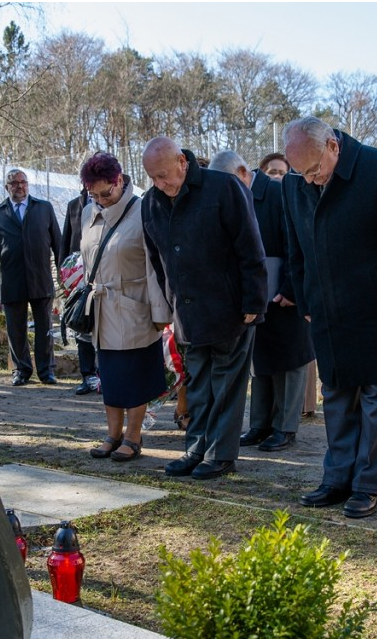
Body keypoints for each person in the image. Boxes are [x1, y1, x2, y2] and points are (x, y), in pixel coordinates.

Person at [282, 116, 377, 518]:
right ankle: (336, 479)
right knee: (336, 398)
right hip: (327, 313)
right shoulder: (295, 184)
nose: (311, 180)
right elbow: (296, 249)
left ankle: (368, 484)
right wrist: (307, 301)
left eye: (315, 169)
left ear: (333, 146)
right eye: (302, 173)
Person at [141, 136, 267, 480]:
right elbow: (158, 260)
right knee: (197, 385)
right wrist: (170, 304)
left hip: (230, 309)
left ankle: (220, 455)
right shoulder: (150, 203)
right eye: (153, 178)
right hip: (188, 313)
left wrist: (254, 301)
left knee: (226, 385)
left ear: (183, 162)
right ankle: (196, 449)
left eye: (164, 176)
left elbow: (250, 245)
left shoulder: (222, 187)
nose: (160, 184)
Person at [209, 149, 315, 452]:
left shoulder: (280, 194)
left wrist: (292, 289)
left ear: (243, 173)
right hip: (256, 294)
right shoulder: (234, 196)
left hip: (285, 292)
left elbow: (299, 245)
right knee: (262, 361)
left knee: (291, 361)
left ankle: (285, 427)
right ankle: (260, 424)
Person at [78, 153, 172, 462]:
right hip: (102, 310)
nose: (101, 200)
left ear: (120, 180)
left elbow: (155, 266)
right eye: (94, 195)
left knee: (135, 375)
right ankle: (112, 433)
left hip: (135, 308)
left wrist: (161, 314)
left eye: (107, 193)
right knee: (109, 374)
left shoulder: (143, 209)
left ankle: (133, 435)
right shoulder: (88, 212)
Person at [0, 169, 62, 386]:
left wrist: (65, 273)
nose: (20, 186)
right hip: (12, 278)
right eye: (14, 183)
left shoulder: (43, 208)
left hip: (40, 277)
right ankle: (21, 370)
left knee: (45, 328)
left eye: (23, 182)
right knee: (16, 330)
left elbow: (58, 242)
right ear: (6, 187)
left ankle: (46, 371)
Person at [60, 187, 101, 395]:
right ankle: (88, 375)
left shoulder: (119, 203)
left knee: (103, 328)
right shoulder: (73, 205)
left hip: (104, 275)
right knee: (81, 325)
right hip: (78, 277)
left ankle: (104, 377)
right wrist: (64, 276)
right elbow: (66, 240)